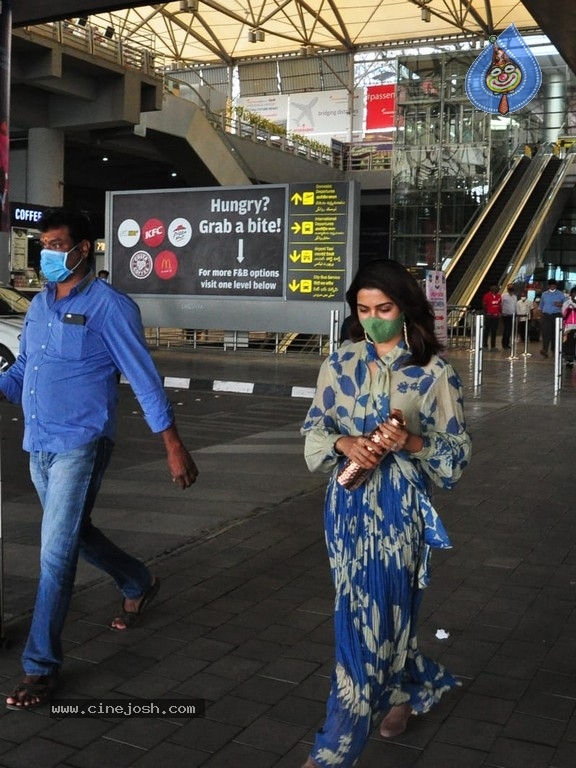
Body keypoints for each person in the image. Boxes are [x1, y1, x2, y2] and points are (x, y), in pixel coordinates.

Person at [0, 208, 199, 710]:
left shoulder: (111, 307)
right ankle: (138, 580)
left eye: (56, 244)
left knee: (55, 554)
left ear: (83, 248)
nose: (47, 254)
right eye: (43, 244)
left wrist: (173, 444)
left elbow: (145, 377)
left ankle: (39, 667)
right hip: (38, 443)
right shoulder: (40, 306)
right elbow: (23, 369)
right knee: (74, 533)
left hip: (81, 444)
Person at [300, 260, 472, 768]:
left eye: (384, 309)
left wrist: (413, 442)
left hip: (400, 515)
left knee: (365, 623)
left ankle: (334, 749)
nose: (373, 319)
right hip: (346, 507)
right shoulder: (339, 363)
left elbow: (456, 456)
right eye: (363, 310)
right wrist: (342, 440)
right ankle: (405, 690)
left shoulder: (435, 374)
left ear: (406, 309)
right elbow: (313, 428)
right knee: (372, 613)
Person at [539, 279, 564, 357]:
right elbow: (541, 306)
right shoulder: (544, 294)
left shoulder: (560, 294)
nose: (552, 287)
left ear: (556, 286)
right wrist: (540, 316)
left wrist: (560, 304)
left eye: (554, 286)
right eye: (551, 286)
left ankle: (554, 350)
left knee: (555, 333)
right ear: (548, 286)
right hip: (546, 315)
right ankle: (545, 350)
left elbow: (566, 304)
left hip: (557, 315)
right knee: (546, 333)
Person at [482, 283, 502, 350]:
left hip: (496, 316)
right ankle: (485, 345)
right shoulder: (487, 296)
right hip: (489, 316)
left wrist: (499, 312)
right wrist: (486, 313)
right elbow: (484, 305)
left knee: (494, 331)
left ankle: (493, 346)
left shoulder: (499, 296)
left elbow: (499, 305)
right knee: (486, 331)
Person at [562, 287, 576, 368]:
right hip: (569, 325)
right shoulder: (567, 303)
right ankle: (569, 359)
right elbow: (564, 313)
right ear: (571, 294)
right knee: (569, 342)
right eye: (574, 294)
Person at [501, 283, 517, 350]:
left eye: (512, 287)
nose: (511, 288)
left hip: (512, 315)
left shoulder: (514, 296)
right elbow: (501, 304)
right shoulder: (503, 296)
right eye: (509, 287)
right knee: (506, 329)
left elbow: (515, 306)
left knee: (510, 330)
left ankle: (507, 343)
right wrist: (502, 312)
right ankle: (504, 343)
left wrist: (516, 313)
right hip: (506, 315)